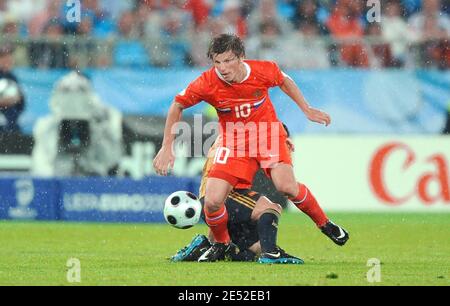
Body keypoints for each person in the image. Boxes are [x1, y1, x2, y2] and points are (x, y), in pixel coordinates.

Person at [154, 34, 343, 262]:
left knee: (287, 187)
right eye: (217, 62)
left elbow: (284, 80)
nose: (222, 68)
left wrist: (307, 109)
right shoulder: (207, 83)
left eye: (228, 60)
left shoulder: (263, 70)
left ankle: (325, 224)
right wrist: (167, 147)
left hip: (267, 135)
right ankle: (223, 244)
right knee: (212, 201)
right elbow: (177, 105)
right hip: (234, 142)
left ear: (241, 57)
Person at [171, 125, 349, 264]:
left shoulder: (240, 131)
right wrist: (282, 151)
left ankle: (203, 247)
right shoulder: (259, 136)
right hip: (223, 196)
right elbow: (282, 179)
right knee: (270, 208)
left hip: (215, 198)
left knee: (254, 249)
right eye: (282, 137)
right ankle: (271, 253)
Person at [0, 43, 24, 134]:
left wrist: (16, 99)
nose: (7, 61)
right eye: (4, 58)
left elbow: (21, 103)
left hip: (10, 125)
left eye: (9, 58)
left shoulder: (12, 77)